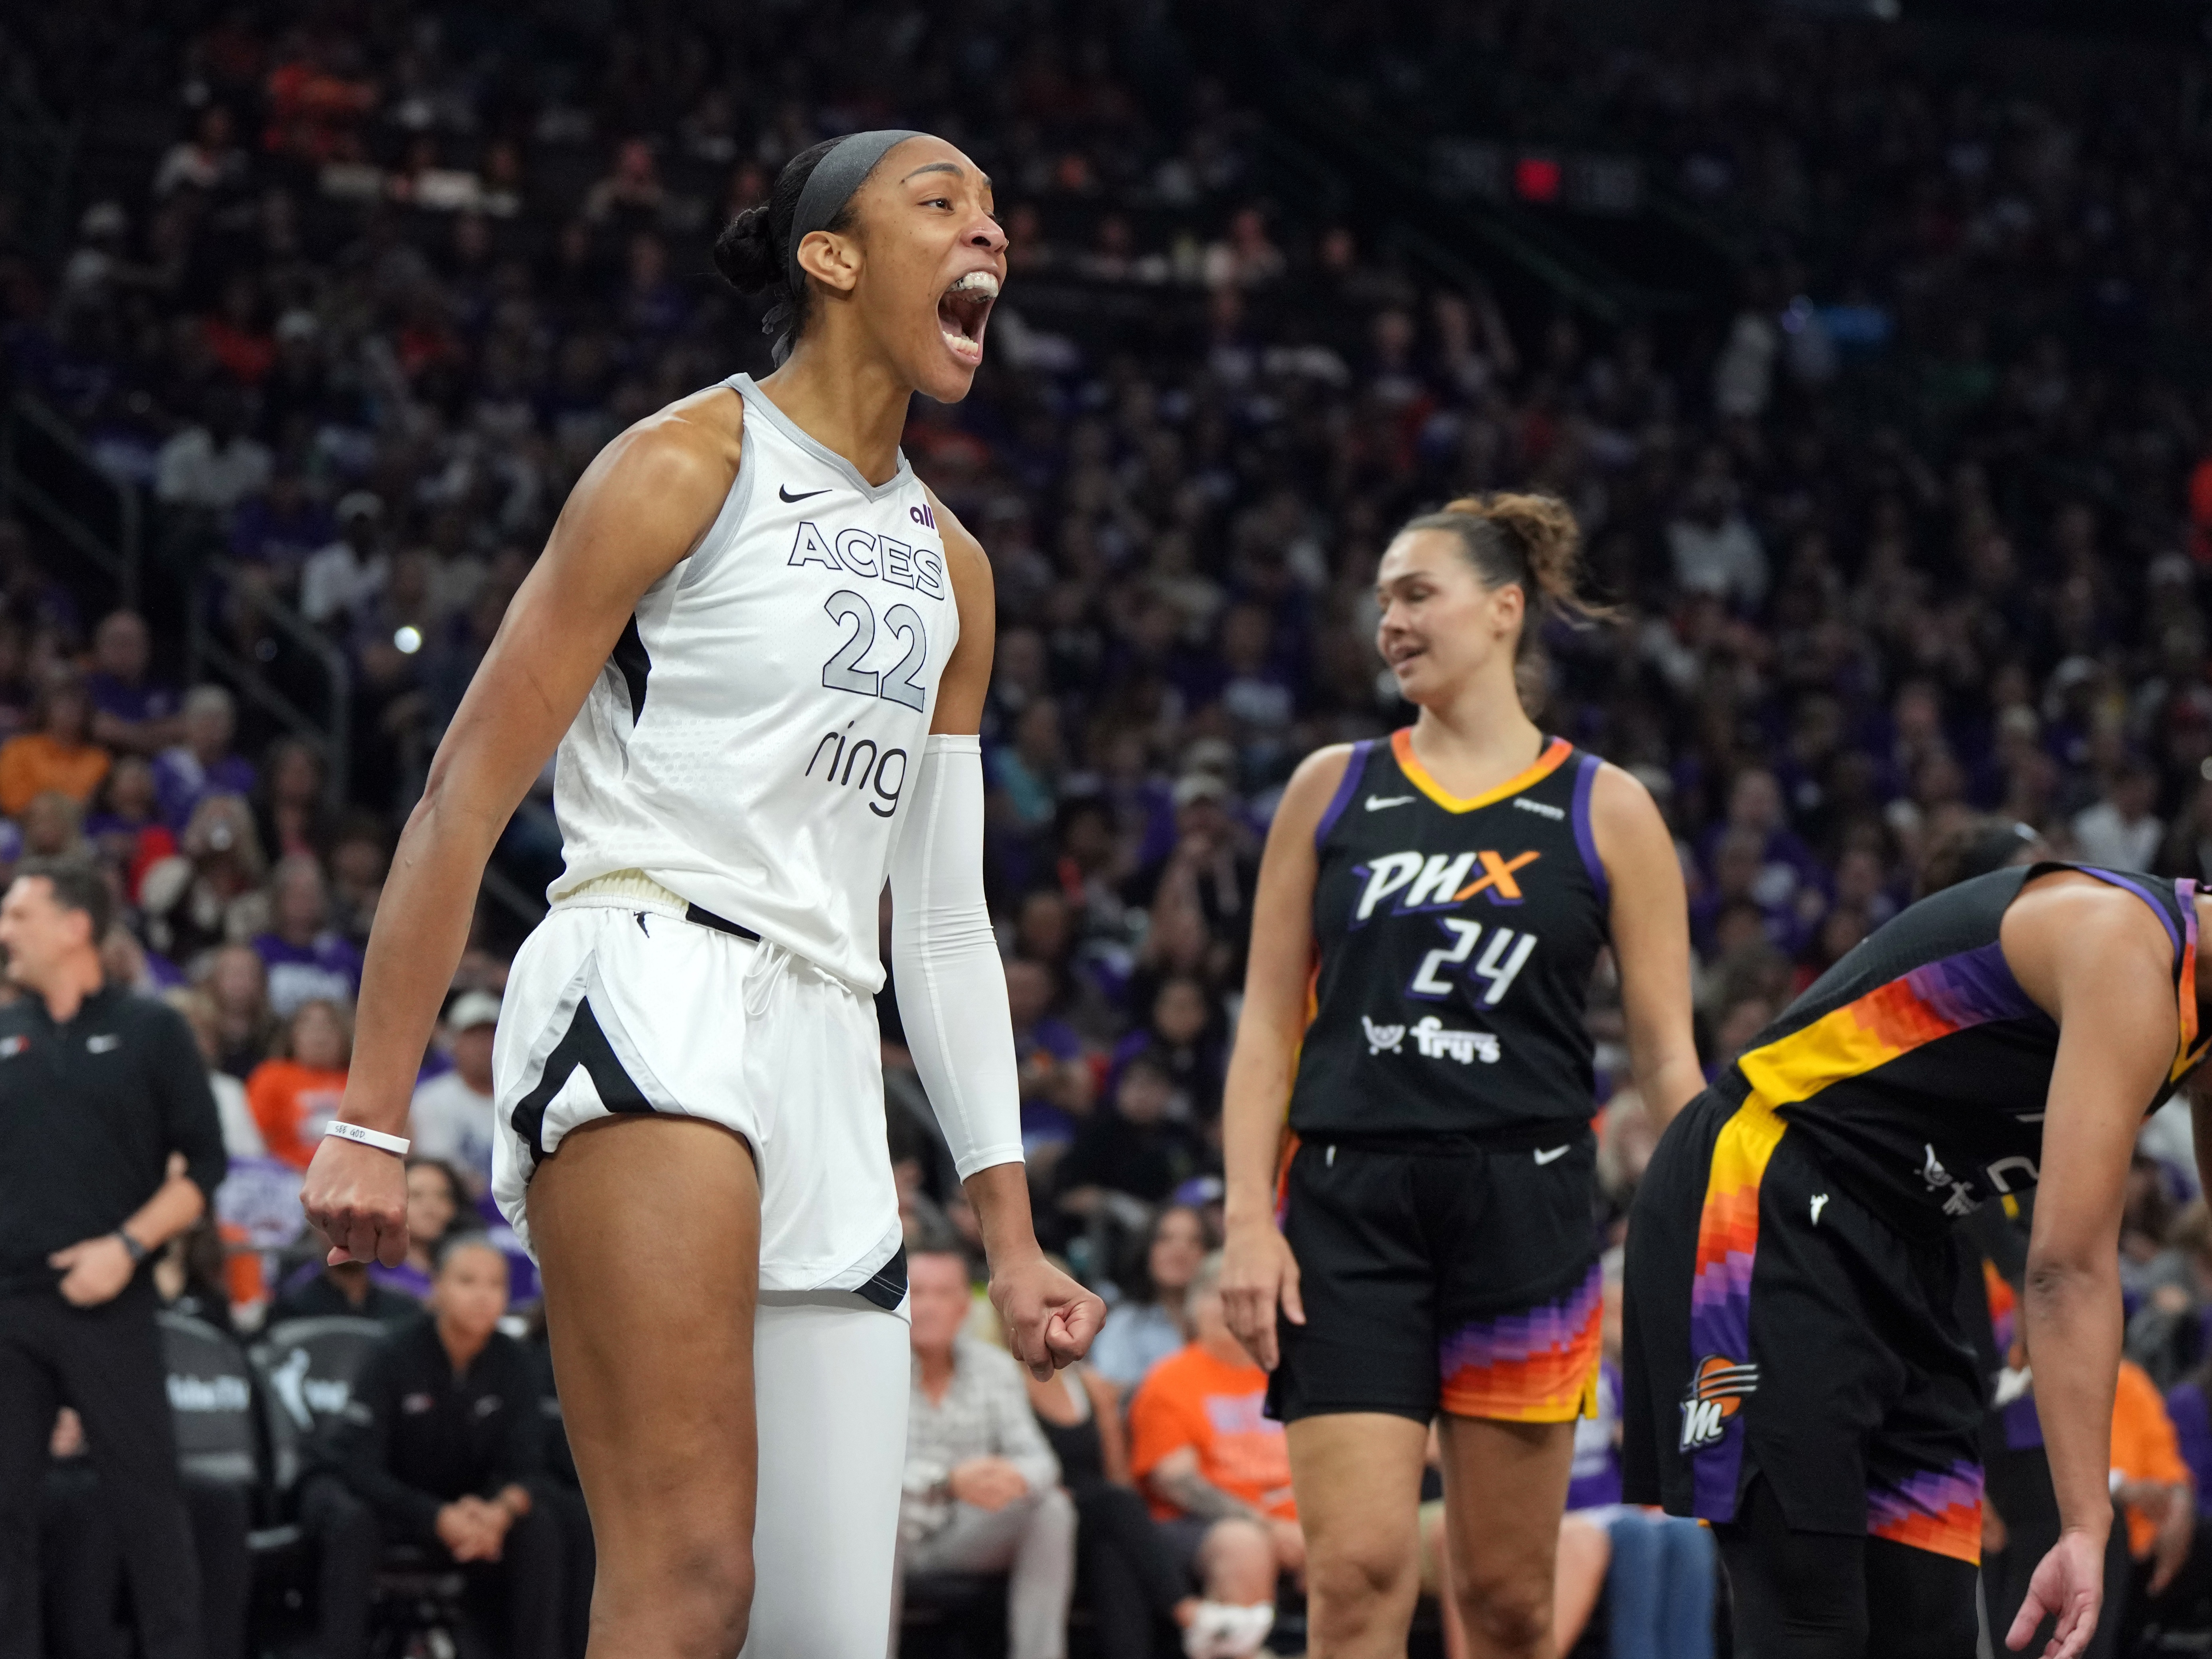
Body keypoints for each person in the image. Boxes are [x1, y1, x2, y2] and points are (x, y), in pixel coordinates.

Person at [299, 129, 1102, 1657]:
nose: (986, 231)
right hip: (651, 974)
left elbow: (936, 919)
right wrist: (367, 1111)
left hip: (829, 1044)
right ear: (831, 256)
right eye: (939, 203)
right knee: (685, 1583)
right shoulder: (682, 464)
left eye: (997, 209)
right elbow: (463, 794)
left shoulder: (957, 567)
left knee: (821, 1631)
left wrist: (1007, 1232)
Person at [1218, 494, 1701, 1659]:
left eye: (1414, 591)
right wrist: (1244, 1214)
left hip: (1524, 1212)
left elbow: (1665, 1057)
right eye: (1381, 597)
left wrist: (1713, 1233)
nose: (1388, 618)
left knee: (1503, 1599)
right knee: (1353, 1573)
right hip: (1344, 1212)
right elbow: (1263, 1028)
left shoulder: (1606, 806)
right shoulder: (1328, 786)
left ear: (1502, 609)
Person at [1622, 862, 2212, 1659]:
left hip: (1906, 1233)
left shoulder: (2196, 1003)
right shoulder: (2122, 950)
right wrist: (2083, 1521)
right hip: (1764, 1190)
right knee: (1810, 1618)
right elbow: (2063, 1268)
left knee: (1927, 1620)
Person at [0, 856, 227, 1659]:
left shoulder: (151, 1029)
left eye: (18, 915)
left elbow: (205, 1166)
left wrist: (127, 1246)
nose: (3, 932)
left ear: (74, 925)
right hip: (9, 1305)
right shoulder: (3, 1032)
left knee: (149, 1508)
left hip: (110, 1296)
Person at [301, 1234, 567, 1659]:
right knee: (353, 1522)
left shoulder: (515, 1361)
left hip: (463, 1506)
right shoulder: (393, 1352)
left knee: (541, 1526)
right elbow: (361, 1466)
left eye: (495, 1284)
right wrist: (437, 1517)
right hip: (386, 1500)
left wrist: (497, 1513)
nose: (483, 1296)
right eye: (467, 1281)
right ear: (438, 1286)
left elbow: (529, 1464)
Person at [897, 1244, 1077, 1659]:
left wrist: (1008, 1477)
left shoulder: (993, 1367)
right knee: (874, 1520)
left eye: (942, 1293)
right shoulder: (872, 1368)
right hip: (893, 1537)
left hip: (966, 1533)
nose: (928, 1306)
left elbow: (1041, 1460)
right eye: (917, 1291)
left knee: (1052, 1508)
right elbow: (860, 1480)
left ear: (964, 1305)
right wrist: (950, 1480)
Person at [1128, 1252, 1303, 1659]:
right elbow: (1176, 1481)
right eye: (1214, 1293)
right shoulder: (1169, 1378)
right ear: (1192, 1305)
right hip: (1197, 1525)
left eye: (1240, 1292)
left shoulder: (1289, 1374)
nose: (1227, 1304)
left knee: (1353, 1539)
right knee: (1243, 1543)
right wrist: (1267, 1524)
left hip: (1298, 1520)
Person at [1025, 1335, 1204, 1659]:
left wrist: (1107, 1413)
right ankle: (1189, 1613)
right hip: (1042, 1513)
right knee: (1115, 1504)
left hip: (1097, 1520)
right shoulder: (1004, 1382)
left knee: (1113, 1555)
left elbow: (1118, 1478)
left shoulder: (1087, 1384)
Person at [1091, 1203, 1209, 1393]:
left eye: (1195, 1241)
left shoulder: (1227, 1324)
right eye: (1165, 1239)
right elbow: (1112, 1398)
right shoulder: (1124, 1325)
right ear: (1147, 1250)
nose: (1180, 1250)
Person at [409, 989, 500, 1190]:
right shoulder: (431, 1099)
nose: (485, 1047)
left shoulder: (524, 1099)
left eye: (491, 1036)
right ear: (454, 1043)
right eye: (474, 1038)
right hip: (460, 1212)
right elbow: (437, 1171)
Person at [246, 998, 352, 1169]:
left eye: (329, 1028)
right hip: (285, 1176)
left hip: (350, 1175)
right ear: (293, 1035)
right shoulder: (272, 1076)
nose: (320, 1037)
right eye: (310, 1028)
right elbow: (255, 1140)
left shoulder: (358, 1081)